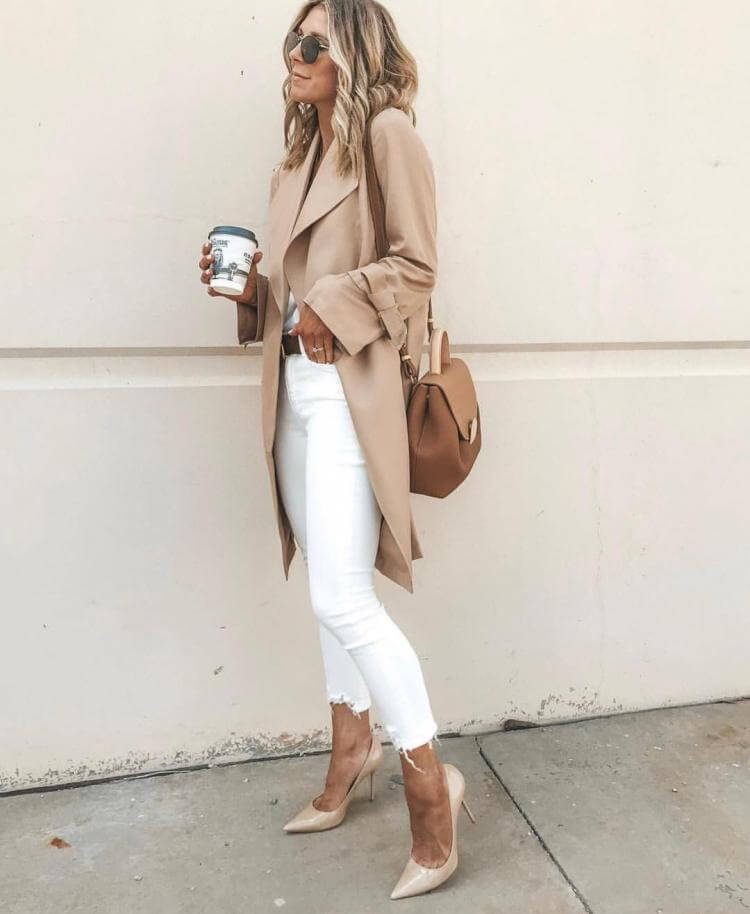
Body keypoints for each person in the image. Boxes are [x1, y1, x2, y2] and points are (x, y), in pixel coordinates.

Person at [197, 1, 474, 899]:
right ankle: (351, 747)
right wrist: (249, 293)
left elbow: (417, 266)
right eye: (293, 38)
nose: (296, 53)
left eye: (315, 42)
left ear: (354, 53)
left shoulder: (388, 135)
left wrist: (333, 301)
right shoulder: (297, 158)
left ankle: (432, 795)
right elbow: (291, 295)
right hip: (292, 393)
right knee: (326, 576)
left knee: (343, 597)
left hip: (349, 391)